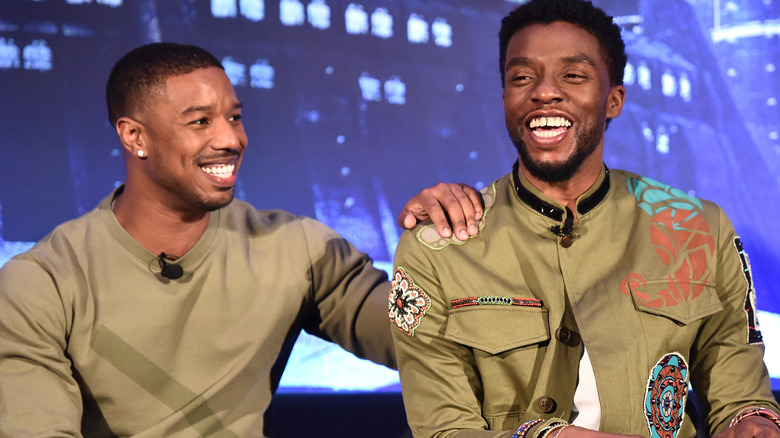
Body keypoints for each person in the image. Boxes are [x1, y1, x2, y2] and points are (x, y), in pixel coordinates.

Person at [0, 42, 483, 436]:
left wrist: (440, 247)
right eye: (200, 121)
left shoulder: (298, 249)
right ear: (134, 137)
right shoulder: (41, 283)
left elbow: (416, 335)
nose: (231, 139)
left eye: (234, 117)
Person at [388, 1, 780, 437]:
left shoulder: (697, 228)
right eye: (522, 77)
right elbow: (443, 430)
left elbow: (741, 399)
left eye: (573, 75)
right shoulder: (438, 247)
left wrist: (754, 424)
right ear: (504, 100)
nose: (544, 92)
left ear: (614, 100)